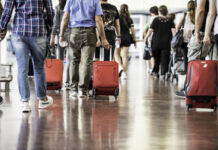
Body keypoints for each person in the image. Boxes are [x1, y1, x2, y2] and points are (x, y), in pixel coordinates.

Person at [0, 0, 54, 112]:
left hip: (19, 31)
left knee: (22, 68)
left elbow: (7, 11)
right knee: (39, 67)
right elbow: (50, 12)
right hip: (38, 30)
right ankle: (42, 99)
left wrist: (2, 27)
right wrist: (48, 25)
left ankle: (25, 102)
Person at [59, 0, 109, 98]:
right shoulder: (95, 1)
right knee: (87, 62)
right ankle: (83, 90)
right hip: (89, 33)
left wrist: (61, 35)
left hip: (74, 32)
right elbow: (98, 20)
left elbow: (65, 17)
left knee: (74, 61)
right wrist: (103, 39)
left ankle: (74, 89)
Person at [175, 0, 217, 97]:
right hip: (214, 30)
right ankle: (211, 91)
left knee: (193, 61)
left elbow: (201, 9)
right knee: (214, 62)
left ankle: (190, 91)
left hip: (204, 31)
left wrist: (197, 31)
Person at [145, 5, 176, 79]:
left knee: (156, 58)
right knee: (165, 58)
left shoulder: (155, 20)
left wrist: (146, 37)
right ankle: (164, 73)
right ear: (166, 12)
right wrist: (174, 41)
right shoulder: (170, 20)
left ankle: (155, 72)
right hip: (166, 42)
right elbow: (174, 32)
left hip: (156, 42)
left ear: (159, 12)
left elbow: (150, 30)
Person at [50, 0, 71, 90]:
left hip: (60, 36)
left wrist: (52, 38)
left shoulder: (58, 7)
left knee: (59, 60)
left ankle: (59, 81)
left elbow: (55, 24)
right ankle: (67, 83)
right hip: (71, 35)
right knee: (70, 60)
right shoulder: (72, 5)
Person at [114, 4, 136, 80]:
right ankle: (124, 73)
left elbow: (115, 27)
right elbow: (133, 31)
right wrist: (135, 40)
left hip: (118, 37)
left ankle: (120, 67)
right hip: (127, 38)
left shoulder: (117, 17)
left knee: (116, 54)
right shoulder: (129, 19)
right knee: (125, 56)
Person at [176, 0, 195, 74]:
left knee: (186, 58)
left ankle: (188, 75)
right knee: (196, 58)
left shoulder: (184, 14)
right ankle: (196, 74)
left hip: (185, 40)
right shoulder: (198, 14)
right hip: (195, 39)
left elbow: (178, 27)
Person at [143, 6, 159, 74]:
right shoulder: (160, 17)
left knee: (151, 54)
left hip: (152, 38)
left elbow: (149, 29)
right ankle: (156, 69)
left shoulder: (152, 19)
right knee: (156, 55)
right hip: (159, 39)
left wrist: (146, 38)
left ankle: (151, 69)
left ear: (151, 12)